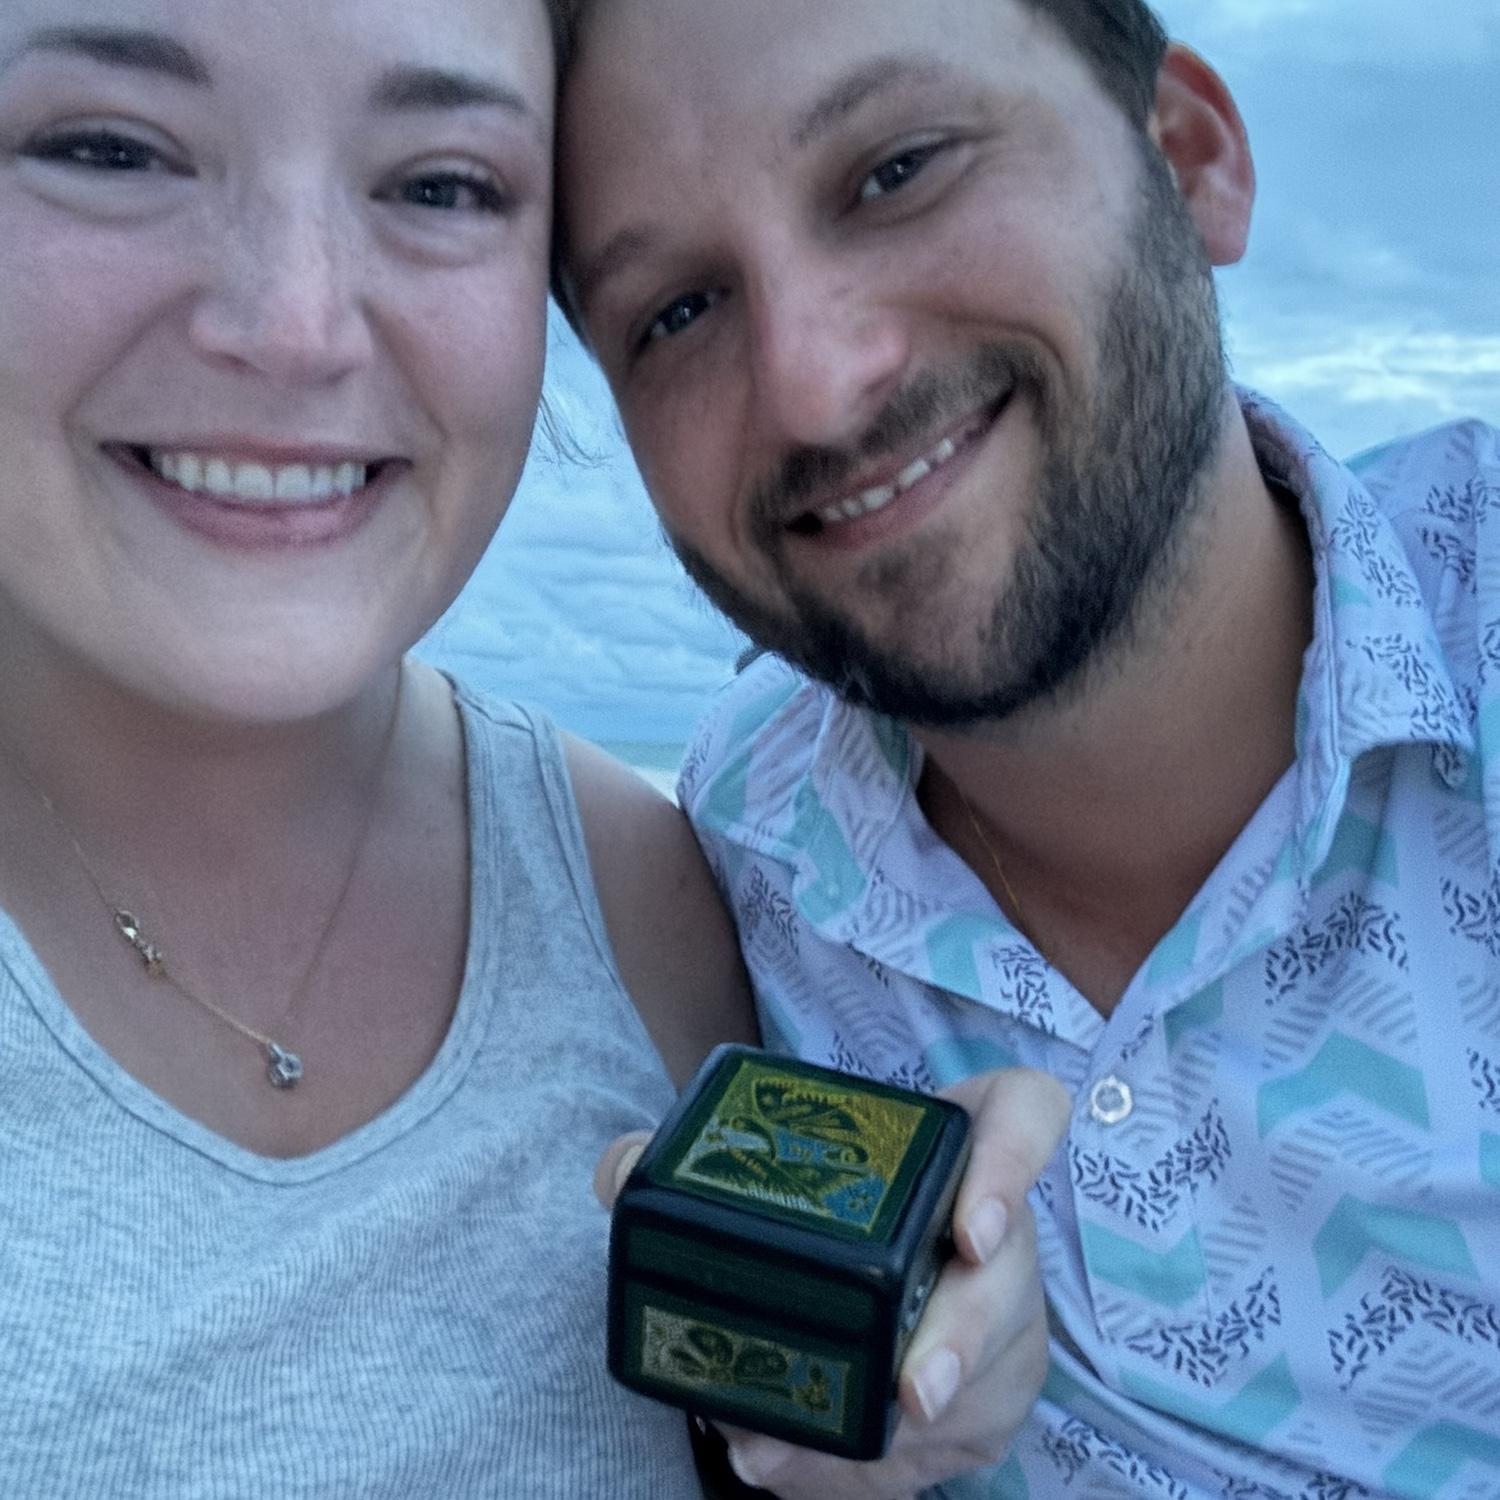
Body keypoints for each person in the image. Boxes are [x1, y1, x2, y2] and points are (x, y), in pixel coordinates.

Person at [0, 1, 1067, 1494]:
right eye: (108, 148)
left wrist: (900, 1415)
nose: (296, 324)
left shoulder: (649, 887)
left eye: (441, 185)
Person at [553, 0, 1500, 1494]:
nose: (814, 382)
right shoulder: (742, 837)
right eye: (674, 312)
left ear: (1189, 160)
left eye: (898, 169)